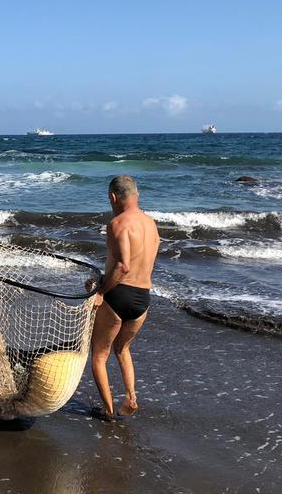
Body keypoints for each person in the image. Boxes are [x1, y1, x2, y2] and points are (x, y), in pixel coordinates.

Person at [90, 175, 160, 420]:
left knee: (99, 354)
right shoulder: (152, 224)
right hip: (143, 298)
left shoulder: (117, 223)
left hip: (118, 296)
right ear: (136, 195)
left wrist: (100, 291)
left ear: (113, 197)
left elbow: (122, 267)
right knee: (123, 348)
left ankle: (107, 411)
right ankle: (131, 398)